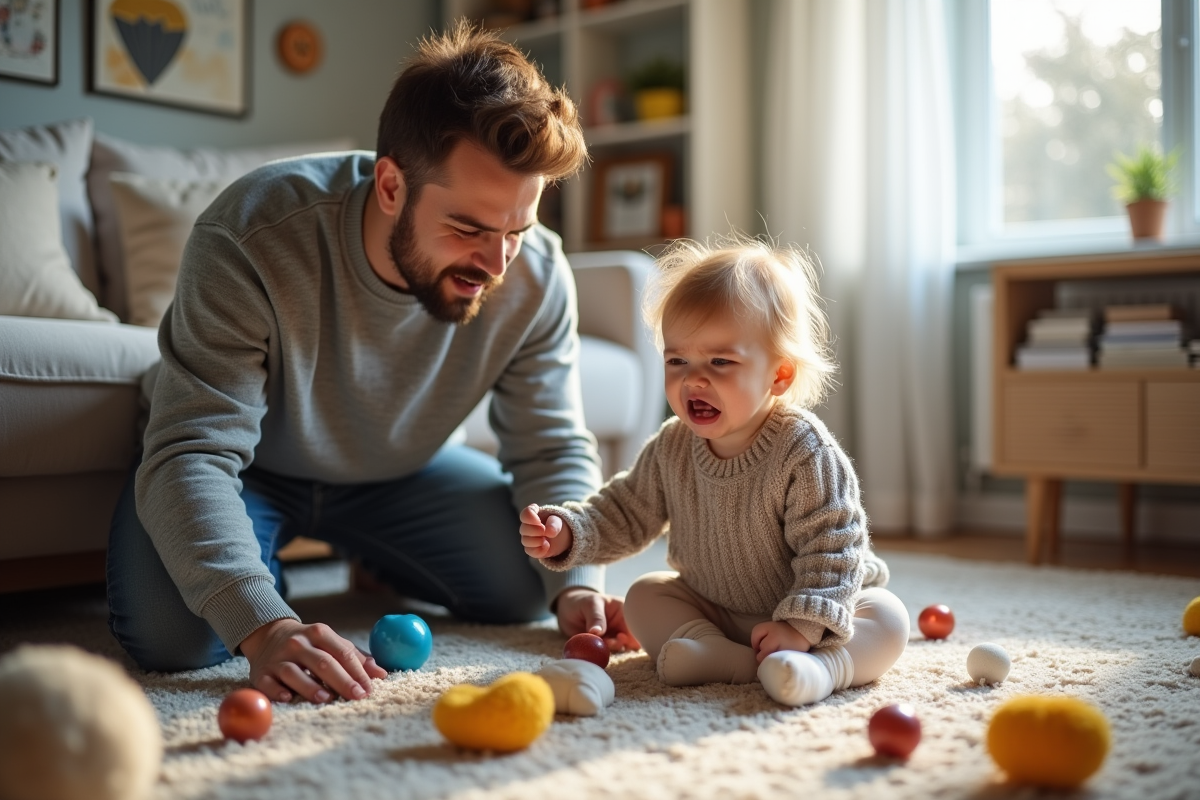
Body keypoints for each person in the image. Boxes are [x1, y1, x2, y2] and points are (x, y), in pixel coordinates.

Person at [106, 22, 636, 705]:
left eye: (517, 230)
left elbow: (553, 444)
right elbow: (194, 451)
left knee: (529, 585)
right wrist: (265, 625)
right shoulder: (249, 234)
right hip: (247, 470)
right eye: (469, 228)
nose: (497, 262)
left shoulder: (534, 272)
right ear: (391, 186)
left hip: (399, 474)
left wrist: (581, 584)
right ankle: (268, 565)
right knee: (174, 638)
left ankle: (373, 562)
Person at [519, 235, 909, 706]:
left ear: (779, 375)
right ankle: (727, 658)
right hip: (718, 607)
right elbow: (626, 510)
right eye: (677, 360)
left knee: (888, 619)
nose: (693, 379)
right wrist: (571, 531)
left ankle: (822, 671)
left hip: (812, 609)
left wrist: (801, 627)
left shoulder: (803, 451)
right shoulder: (672, 446)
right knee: (645, 596)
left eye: (720, 362)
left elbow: (834, 549)